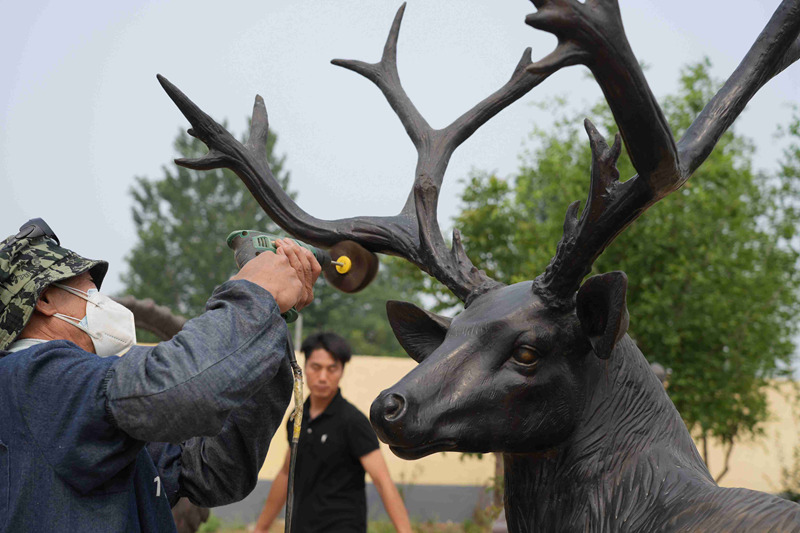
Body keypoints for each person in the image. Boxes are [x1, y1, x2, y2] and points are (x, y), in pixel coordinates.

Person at [0, 218, 321, 533]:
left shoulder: (68, 406)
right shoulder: (34, 374)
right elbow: (185, 389)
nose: (100, 299)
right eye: (89, 287)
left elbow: (213, 471)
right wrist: (253, 293)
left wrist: (269, 316)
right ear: (44, 298)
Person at [255, 332, 412, 533]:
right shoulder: (296, 419)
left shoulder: (353, 421)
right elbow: (287, 473)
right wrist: (260, 528)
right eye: (316, 367)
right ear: (305, 367)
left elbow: (382, 481)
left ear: (342, 371)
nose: (323, 377)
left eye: (332, 369)